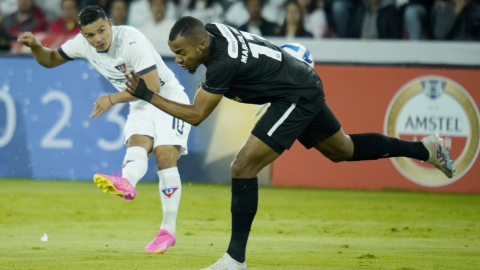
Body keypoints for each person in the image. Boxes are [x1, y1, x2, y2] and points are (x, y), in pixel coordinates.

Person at [123, 16, 455, 269]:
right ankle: (426, 148)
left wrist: (147, 95)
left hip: (294, 93)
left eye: (181, 53)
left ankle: (234, 260)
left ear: (202, 46)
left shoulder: (222, 63)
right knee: (343, 150)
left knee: (242, 166)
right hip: (298, 82)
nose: (178, 60)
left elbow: (196, 116)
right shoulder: (213, 30)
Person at [17, 5, 191, 255]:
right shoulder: (82, 44)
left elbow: (152, 86)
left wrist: (111, 99)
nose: (97, 39)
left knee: (164, 155)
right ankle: (127, 183)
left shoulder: (131, 40)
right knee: (137, 143)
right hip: (140, 103)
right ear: (83, 35)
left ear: (110, 24)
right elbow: (51, 59)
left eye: (101, 31)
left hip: (168, 98)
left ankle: (168, 231)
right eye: (90, 35)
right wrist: (35, 45)